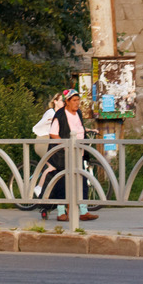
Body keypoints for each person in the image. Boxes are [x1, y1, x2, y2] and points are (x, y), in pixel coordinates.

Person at [43, 89, 98, 223]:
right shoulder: (60, 115)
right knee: (63, 182)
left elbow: (80, 128)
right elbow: (53, 133)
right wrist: (66, 144)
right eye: (74, 100)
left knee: (82, 180)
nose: (77, 103)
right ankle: (61, 212)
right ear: (67, 102)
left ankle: (83, 211)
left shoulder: (78, 113)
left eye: (78, 100)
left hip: (79, 153)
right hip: (64, 154)